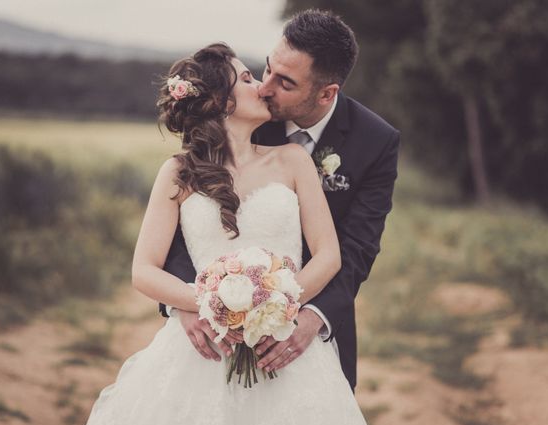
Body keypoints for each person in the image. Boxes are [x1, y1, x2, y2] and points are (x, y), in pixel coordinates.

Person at [49, 43, 386, 425]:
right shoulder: (177, 172)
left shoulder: (294, 160)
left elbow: (330, 254)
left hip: (282, 343)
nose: (261, 86)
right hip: (204, 347)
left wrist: (277, 304)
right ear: (222, 101)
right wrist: (210, 303)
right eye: (247, 78)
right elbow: (144, 269)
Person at [163, 9, 400, 392]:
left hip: (309, 325)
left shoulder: (375, 142)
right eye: (268, 68)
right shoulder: (237, 112)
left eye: (285, 82)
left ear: (326, 94)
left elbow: (357, 247)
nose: (265, 87)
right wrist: (188, 303)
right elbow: (186, 221)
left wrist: (308, 317)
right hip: (211, 325)